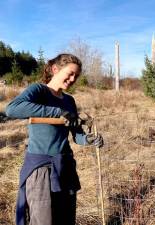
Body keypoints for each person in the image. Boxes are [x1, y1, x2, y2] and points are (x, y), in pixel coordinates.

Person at [5, 53, 103, 225]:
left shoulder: (69, 100)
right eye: (70, 73)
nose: (73, 79)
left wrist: (88, 140)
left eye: (76, 76)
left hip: (65, 167)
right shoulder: (38, 91)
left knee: (65, 219)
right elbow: (12, 109)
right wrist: (56, 112)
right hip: (41, 170)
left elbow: (77, 135)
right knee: (44, 221)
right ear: (55, 69)